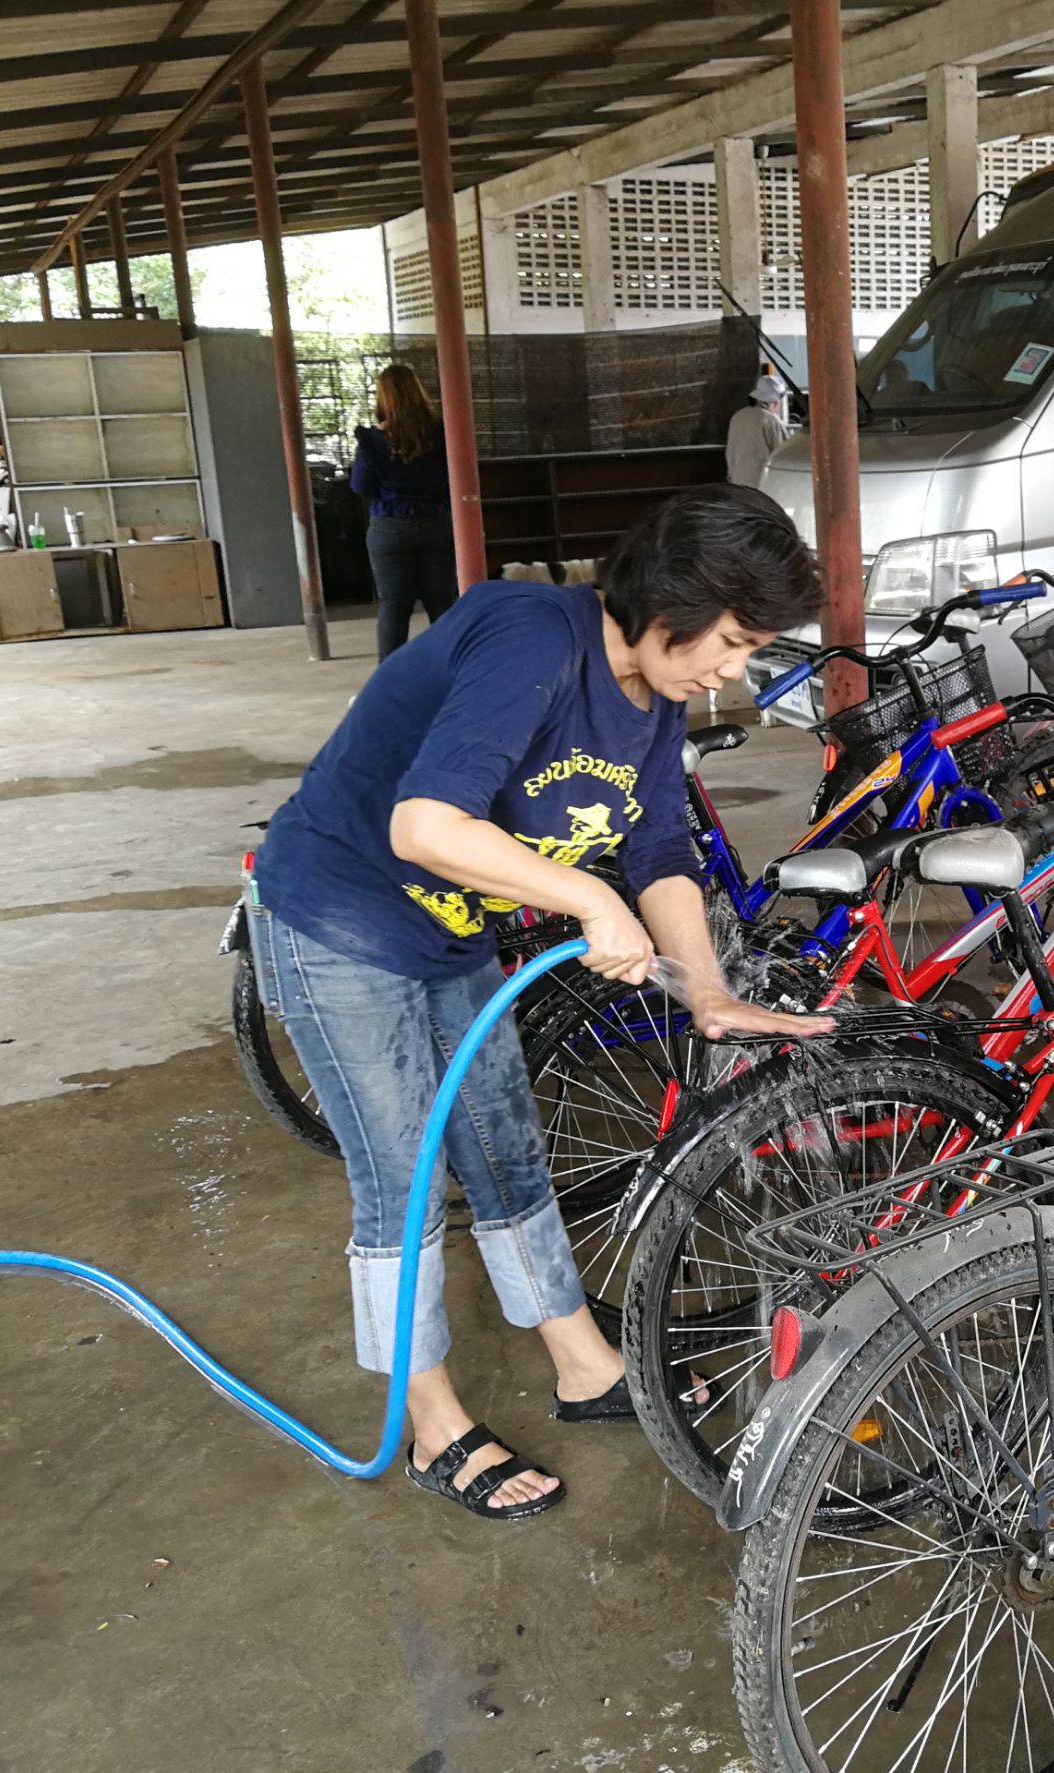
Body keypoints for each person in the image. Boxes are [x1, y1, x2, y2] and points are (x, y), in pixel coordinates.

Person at [245, 484, 831, 1521]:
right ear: (672, 603)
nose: (734, 672)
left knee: (508, 1150)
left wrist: (706, 988)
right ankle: (433, 1426)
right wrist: (588, 899)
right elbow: (424, 825)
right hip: (339, 915)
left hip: (451, 929)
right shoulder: (531, 638)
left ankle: (583, 1363)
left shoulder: (653, 693)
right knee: (402, 1179)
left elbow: (658, 848)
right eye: (734, 641)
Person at [351, 363, 456, 661]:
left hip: (390, 527)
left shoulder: (371, 441)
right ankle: (450, 671)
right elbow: (454, 479)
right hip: (437, 523)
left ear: (383, 397)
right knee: (443, 604)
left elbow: (360, 486)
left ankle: (391, 678)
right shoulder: (442, 434)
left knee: (394, 607)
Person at [724, 372, 792, 490]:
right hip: (762, 486)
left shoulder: (738, 416)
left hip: (737, 483)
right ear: (775, 402)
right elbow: (782, 455)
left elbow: (730, 451)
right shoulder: (771, 420)